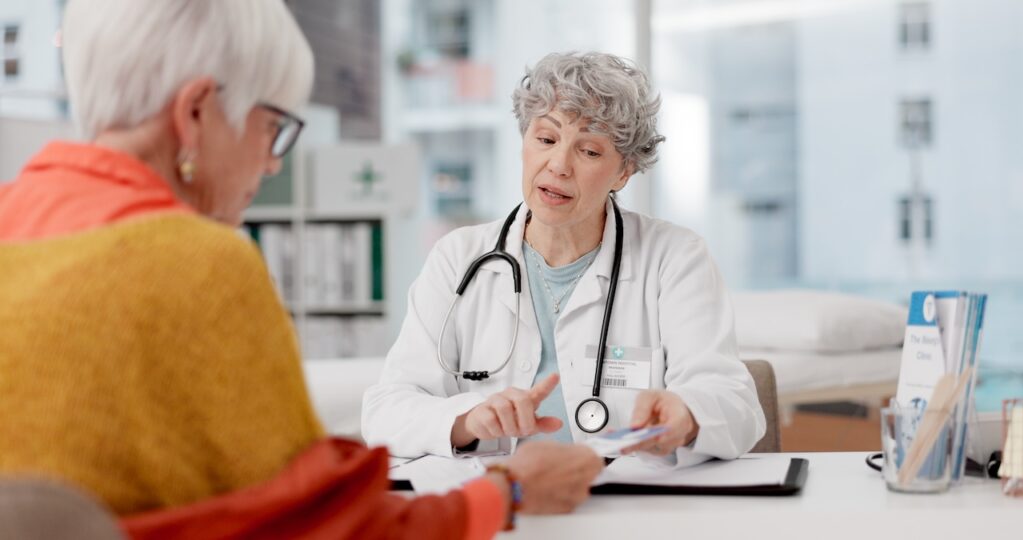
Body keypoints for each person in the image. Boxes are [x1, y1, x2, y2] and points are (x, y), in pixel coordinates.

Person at [0, 1, 601, 537]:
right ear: (196, 113)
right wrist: (511, 491)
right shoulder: (196, 261)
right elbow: (325, 525)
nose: (268, 164)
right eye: (271, 129)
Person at [363, 51, 766, 464]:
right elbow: (387, 410)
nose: (558, 165)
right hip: (500, 503)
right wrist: (468, 419)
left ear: (623, 172)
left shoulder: (674, 258)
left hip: (630, 508)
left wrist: (689, 416)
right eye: (546, 139)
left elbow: (736, 404)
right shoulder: (459, 257)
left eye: (589, 151)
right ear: (524, 141)